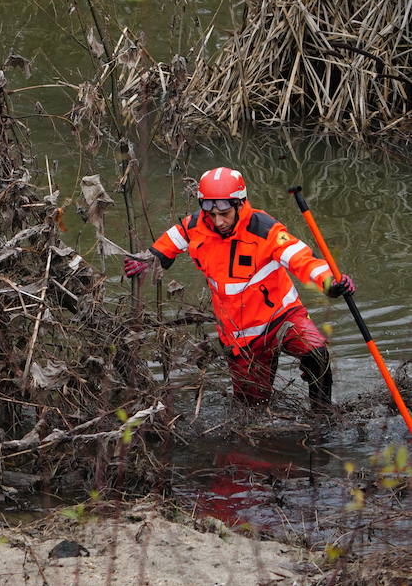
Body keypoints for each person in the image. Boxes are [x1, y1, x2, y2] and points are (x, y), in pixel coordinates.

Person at [123, 167, 354, 414]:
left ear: (240, 204)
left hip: (282, 318)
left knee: (317, 355)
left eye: (224, 213)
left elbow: (301, 259)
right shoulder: (195, 225)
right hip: (240, 338)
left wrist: (330, 281)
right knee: (251, 410)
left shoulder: (265, 230)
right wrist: (149, 258)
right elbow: (171, 241)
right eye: (210, 213)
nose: (217, 221)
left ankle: (323, 418)